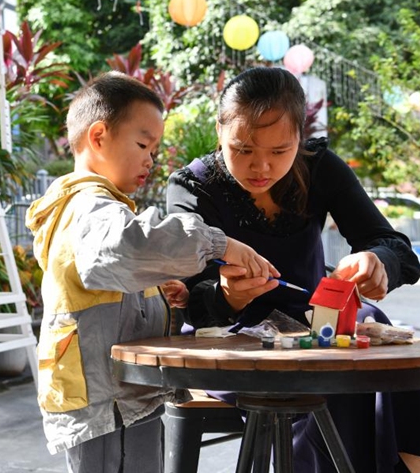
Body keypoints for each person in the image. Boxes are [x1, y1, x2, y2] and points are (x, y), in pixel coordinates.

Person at [166, 67, 420, 473]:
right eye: (244, 149)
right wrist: (228, 295)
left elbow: (396, 248)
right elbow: (190, 303)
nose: (262, 167)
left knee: (362, 333)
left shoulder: (319, 166)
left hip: (315, 321)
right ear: (219, 131)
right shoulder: (192, 188)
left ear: (299, 139)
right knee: (341, 370)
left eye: (279, 151)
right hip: (231, 341)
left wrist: (377, 261)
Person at [25, 72, 276, 473]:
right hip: (108, 402)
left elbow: (108, 277)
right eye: (143, 144)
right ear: (98, 136)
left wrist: (162, 294)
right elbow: (129, 247)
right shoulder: (89, 204)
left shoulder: (96, 207)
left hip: (120, 397)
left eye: (154, 149)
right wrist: (218, 243)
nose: (150, 159)